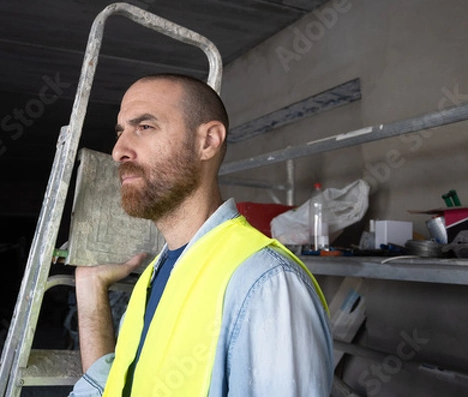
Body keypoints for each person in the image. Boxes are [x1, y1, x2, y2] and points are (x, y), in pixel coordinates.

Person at [70, 73, 333, 397]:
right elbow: (113, 388)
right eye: (121, 131)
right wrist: (90, 288)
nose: (118, 150)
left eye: (145, 127)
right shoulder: (152, 277)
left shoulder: (267, 281)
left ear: (207, 142)